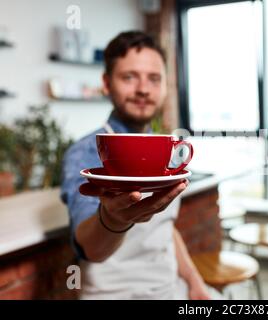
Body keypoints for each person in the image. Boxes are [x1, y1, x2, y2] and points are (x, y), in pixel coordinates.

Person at [60, 31, 211, 300]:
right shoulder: (86, 152)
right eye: (129, 77)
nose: (143, 88)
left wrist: (193, 279)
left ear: (166, 86)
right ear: (106, 83)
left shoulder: (164, 147)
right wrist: (114, 218)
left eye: (154, 78)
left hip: (169, 289)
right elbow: (90, 248)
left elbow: (164, 228)